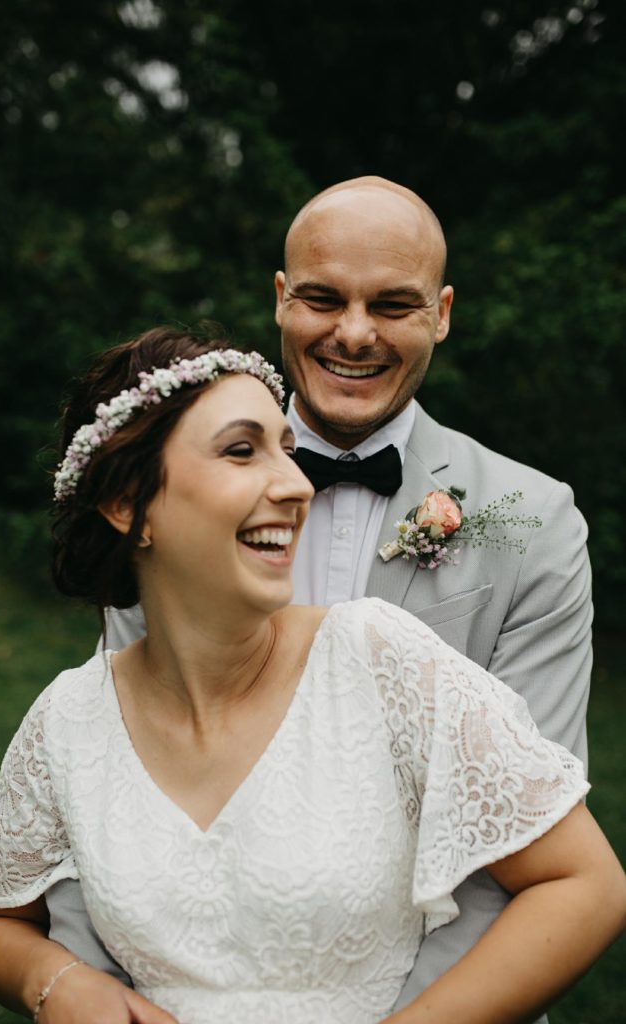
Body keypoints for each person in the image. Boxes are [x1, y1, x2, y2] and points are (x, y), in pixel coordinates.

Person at [0, 327, 625, 1024]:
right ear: (129, 504)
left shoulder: (380, 658)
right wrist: (56, 981)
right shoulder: (67, 720)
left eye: (285, 449)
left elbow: (583, 882)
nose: (294, 483)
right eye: (242, 450)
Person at [49, 177, 595, 1015]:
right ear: (280, 298)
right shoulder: (177, 505)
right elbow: (115, 780)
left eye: (393, 304)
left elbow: (522, 846)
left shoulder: (533, 522)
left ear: (441, 314)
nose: (352, 333)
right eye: (321, 297)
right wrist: (88, 984)